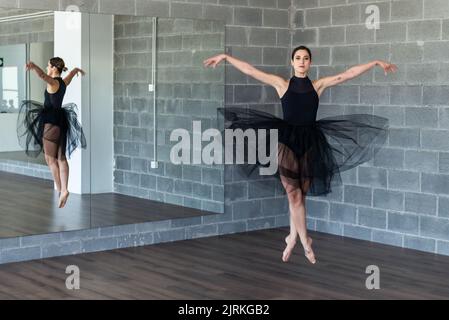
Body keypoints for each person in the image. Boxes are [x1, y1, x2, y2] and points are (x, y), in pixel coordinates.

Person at [203, 46, 396, 264]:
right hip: (287, 141)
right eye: (298, 58)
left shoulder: (317, 86)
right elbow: (251, 71)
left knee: (300, 195)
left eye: (305, 58)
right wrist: (226, 57)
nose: (302, 61)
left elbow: (347, 74)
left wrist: (375, 63)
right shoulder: (282, 84)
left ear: (310, 63)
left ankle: (292, 236)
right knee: (293, 194)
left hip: (311, 141)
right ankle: (305, 242)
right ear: (292, 62)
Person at [17, 57, 87, 208]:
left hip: (51, 122)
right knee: (61, 158)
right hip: (61, 121)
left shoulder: (54, 82)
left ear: (55, 68)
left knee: (50, 159)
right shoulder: (63, 83)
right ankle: (64, 189)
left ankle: (61, 190)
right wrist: (76, 70)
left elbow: (43, 75)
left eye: (48, 66)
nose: (47, 68)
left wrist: (34, 66)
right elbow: (69, 75)